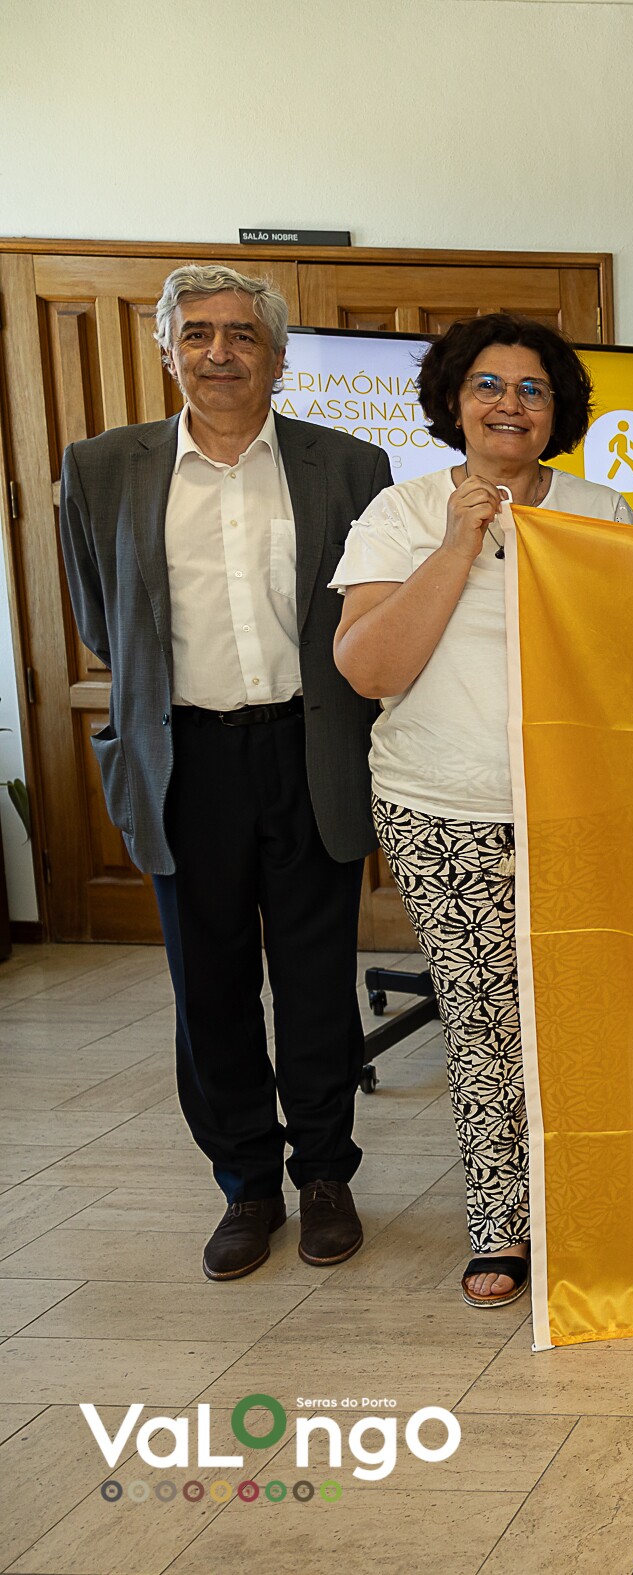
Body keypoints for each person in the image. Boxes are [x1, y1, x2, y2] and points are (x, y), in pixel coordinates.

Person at [56, 265, 388, 1282]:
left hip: (310, 749)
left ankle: (324, 1176)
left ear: (278, 358)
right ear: (168, 350)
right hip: (183, 758)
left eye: (242, 334)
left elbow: (371, 610)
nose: (219, 352)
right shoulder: (103, 467)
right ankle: (246, 1185)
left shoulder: (349, 465)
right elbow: (102, 619)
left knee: (317, 980)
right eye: (197, 333)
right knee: (210, 987)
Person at [329, 314, 633, 1309]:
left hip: (576, 809)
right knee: (484, 1023)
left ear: (558, 410)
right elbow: (369, 667)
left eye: (533, 388)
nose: (511, 404)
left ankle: (584, 1210)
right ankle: (502, 1223)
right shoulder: (403, 512)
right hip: (443, 808)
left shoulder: (601, 512)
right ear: (454, 403)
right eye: (489, 386)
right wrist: (460, 540)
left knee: (584, 1019)